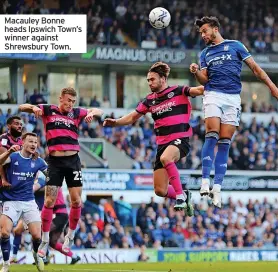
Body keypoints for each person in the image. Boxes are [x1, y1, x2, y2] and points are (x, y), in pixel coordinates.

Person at [190, 16, 278, 208]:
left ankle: (217, 189)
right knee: (211, 134)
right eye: (201, 33)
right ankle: (205, 181)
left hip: (232, 99)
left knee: (225, 142)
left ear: (215, 28)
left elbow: (255, 68)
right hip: (213, 94)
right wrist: (196, 72)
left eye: (205, 31)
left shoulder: (236, 46)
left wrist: (272, 87)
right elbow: (204, 80)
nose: (203, 35)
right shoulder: (205, 53)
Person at [103, 62, 204, 214]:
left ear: (163, 79)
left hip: (180, 140)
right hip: (162, 145)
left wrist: (216, 85)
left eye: (152, 79)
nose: (149, 83)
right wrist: (116, 123)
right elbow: (132, 117)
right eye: (148, 80)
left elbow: (200, 90)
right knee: (160, 190)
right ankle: (185, 194)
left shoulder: (178, 91)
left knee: (166, 158)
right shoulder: (149, 100)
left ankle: (181, 197)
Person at [19, 87, 103, 256]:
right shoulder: (49, 109)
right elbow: (22, 107)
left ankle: (70, 236)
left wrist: (92, 113)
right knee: (49, 201)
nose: (71, 104)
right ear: (61, 99)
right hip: (54, 162)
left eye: (73, 101)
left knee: (77, 201)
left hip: (73, 161)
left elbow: (99, 110)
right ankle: (44, 240)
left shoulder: (77, 113)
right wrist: (33, 108)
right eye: (68, 101)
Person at [0, 132, 47, 272]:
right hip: (10, 201)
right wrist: (8, 151)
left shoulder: (38, 161)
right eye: (31, 141)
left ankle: (35, 254)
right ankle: (6, 263)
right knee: (4, 233)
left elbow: (50, 175)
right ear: (23, 143)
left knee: (37, 236)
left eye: (35, 142)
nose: (34, 144)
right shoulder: (13, 156)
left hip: (29, 201)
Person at [11, 173, 81, 265]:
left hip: (57, 215)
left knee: (40, 233)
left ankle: (43, 257)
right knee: (52, 242)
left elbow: (41, 188)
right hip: (60, 215)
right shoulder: (50, 182)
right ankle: (74, 256)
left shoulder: (51, 184)